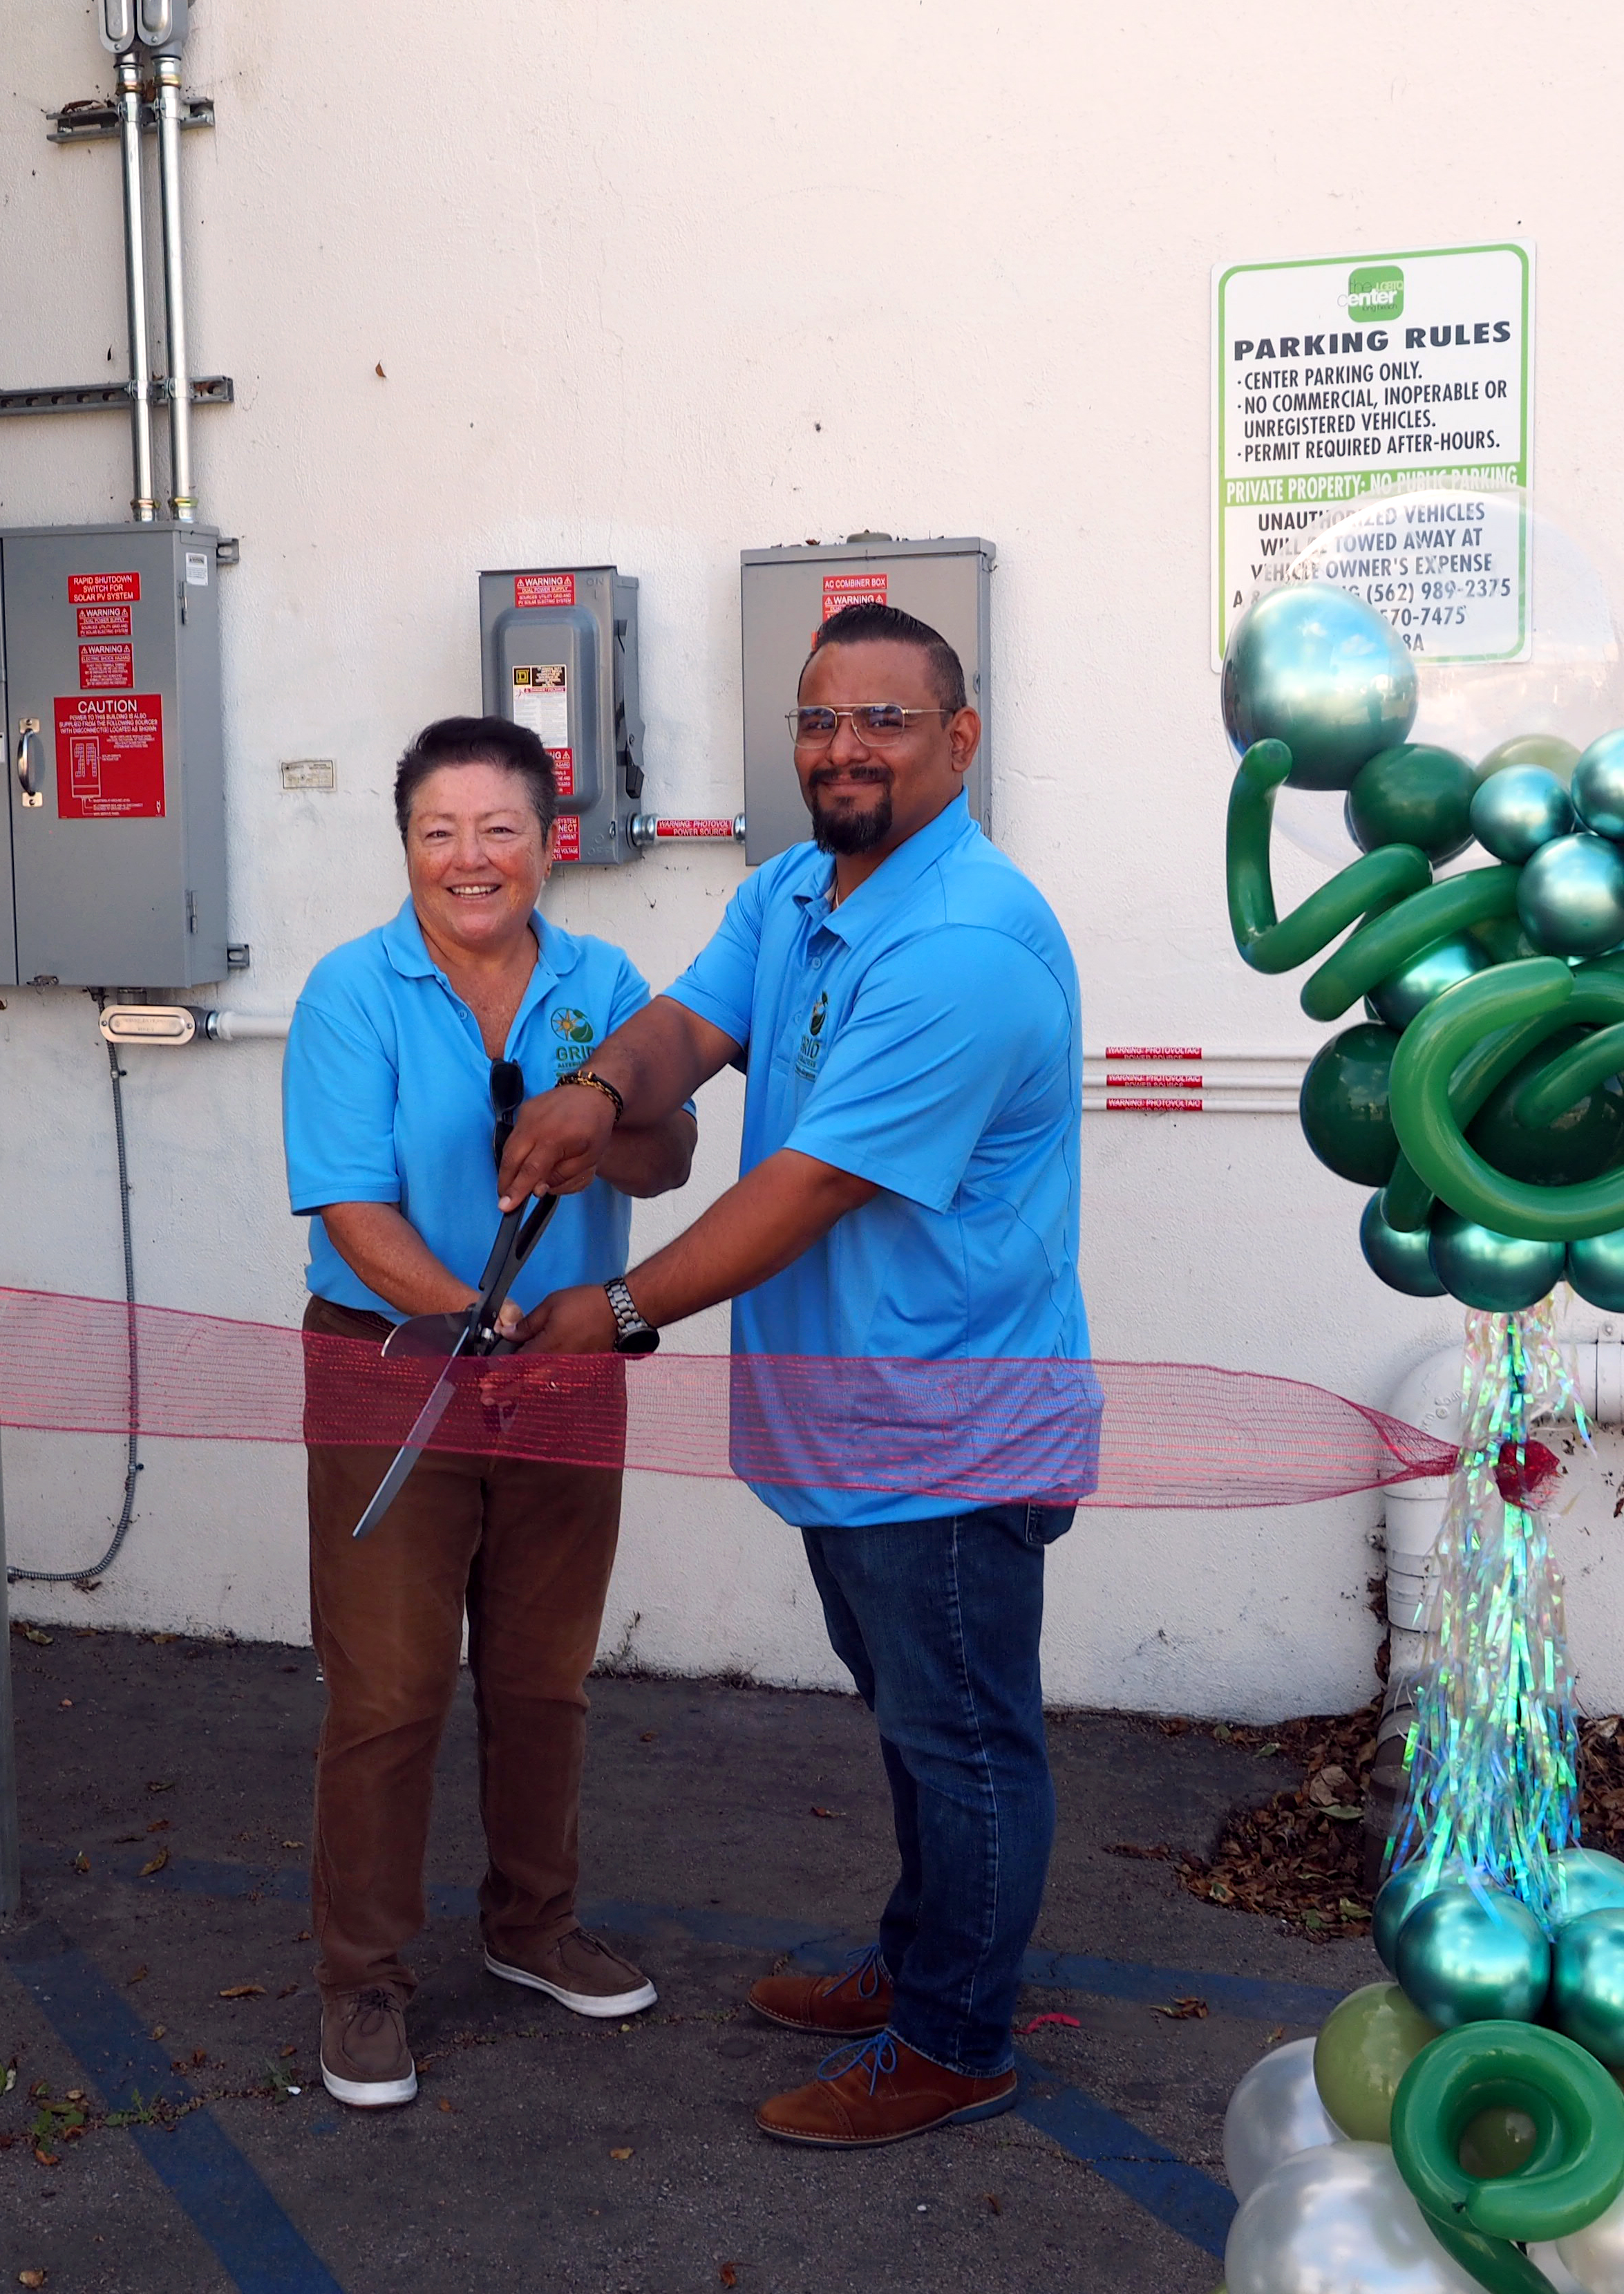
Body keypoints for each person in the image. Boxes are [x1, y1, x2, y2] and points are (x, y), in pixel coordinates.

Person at [500, 601, 1088, 2148]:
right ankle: (918, 1966)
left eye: (885, 722)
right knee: (916, 1724)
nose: (845, 749)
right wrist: (594, 1088)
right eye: (821, 721)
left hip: (946, 1430)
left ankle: (957, 2040)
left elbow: (812, 1185)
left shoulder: (965, 944)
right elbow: (694, 1025)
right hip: (850, 1424)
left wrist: (617, 1310)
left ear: (960, 741)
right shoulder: (799, 889)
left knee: (963, 1740)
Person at [281, 715, 698, 2111]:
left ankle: (530, 1927)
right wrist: (470, 1310)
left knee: (541, 1675)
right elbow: (350, 1206)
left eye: (498, 829)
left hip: (564, 1372)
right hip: (394, 1362)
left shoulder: (607, 982)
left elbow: (674, 1146)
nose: (471, 860)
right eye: (439, 833)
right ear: (407, 846)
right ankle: (363, 1981)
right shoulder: (353, 991)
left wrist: (597, 1120)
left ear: (547, 842)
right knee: (391, 1688)